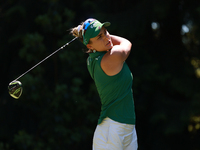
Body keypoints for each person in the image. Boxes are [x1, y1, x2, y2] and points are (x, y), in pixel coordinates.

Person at [70, 18, 138, 150]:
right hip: (112, 130)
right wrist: (105, 37)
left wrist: (96, 36)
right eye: (99, 36)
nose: (107, 38)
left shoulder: (93, 59)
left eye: (106, 32)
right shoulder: (112, 57)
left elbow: (107, 42)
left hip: (126, 127)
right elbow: (126, 43)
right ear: (90, 46)